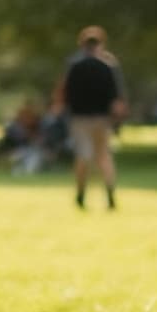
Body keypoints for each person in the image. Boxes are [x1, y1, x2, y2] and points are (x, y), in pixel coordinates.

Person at [59, 25, 126, 211]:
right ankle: (110, 195)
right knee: (104, 157)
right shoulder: (108, 67)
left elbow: (64, 93)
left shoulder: (74, 66)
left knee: (83, 156)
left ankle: (80, 195)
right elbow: (117, 101)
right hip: (102, 119)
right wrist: (118, 122)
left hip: (80, 119)